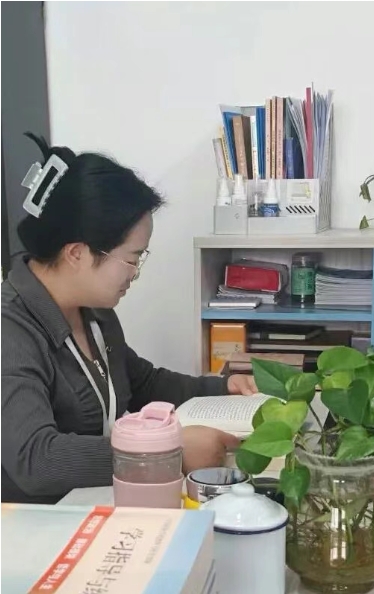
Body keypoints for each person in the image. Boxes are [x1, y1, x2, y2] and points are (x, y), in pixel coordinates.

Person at [1, 134, 257, 505]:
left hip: (101, 506)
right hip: (40, 528)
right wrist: (166, 453)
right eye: (132, 258)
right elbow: (36, 460)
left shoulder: (95, 312)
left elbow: (141, 383)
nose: (135, 273)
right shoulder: (10, 330)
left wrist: (223, 387)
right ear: (77, 253)